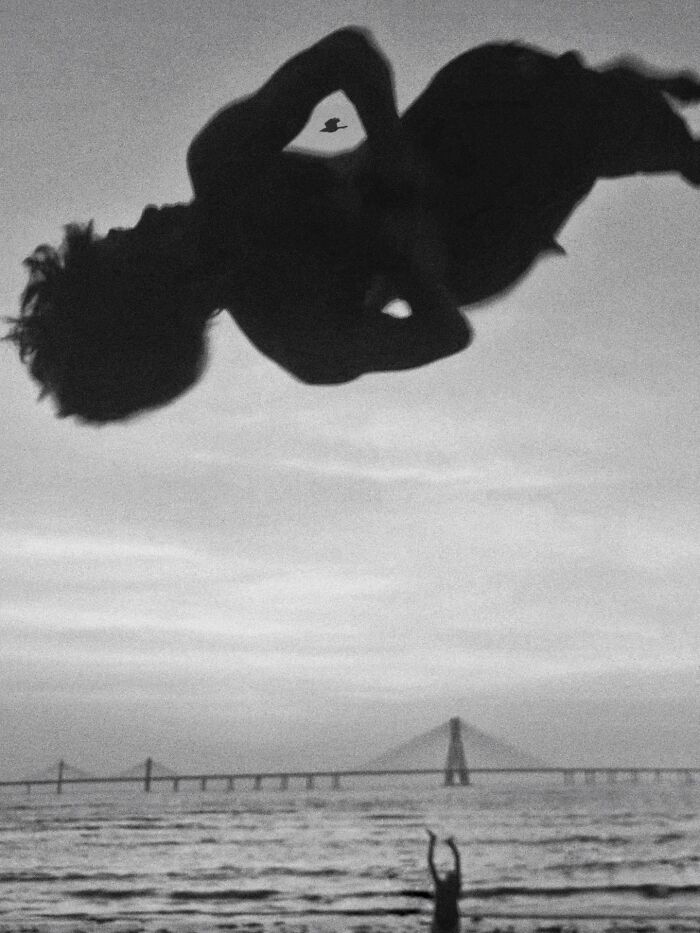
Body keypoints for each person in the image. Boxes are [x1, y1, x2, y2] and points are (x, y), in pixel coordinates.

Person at [6, 28, 699, 423]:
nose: (139, 219)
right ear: (153, 304)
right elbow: (445, 333)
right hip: (477, 241)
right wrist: (407, 261)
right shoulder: (302, 338)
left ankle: (625, 102)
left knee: (575, 108)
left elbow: (351, 56)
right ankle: (635, 108)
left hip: (462, 115)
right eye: (127, 245)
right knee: (607, 131)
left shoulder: (223, 157)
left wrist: (394, 155)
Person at [427, 829, 462, 933]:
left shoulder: (440, 885)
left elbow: (430, 862)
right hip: (453, 923)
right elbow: (458, 861)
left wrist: (432, 842)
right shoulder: (455, 887)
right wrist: (452, 845)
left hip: (439, 923)